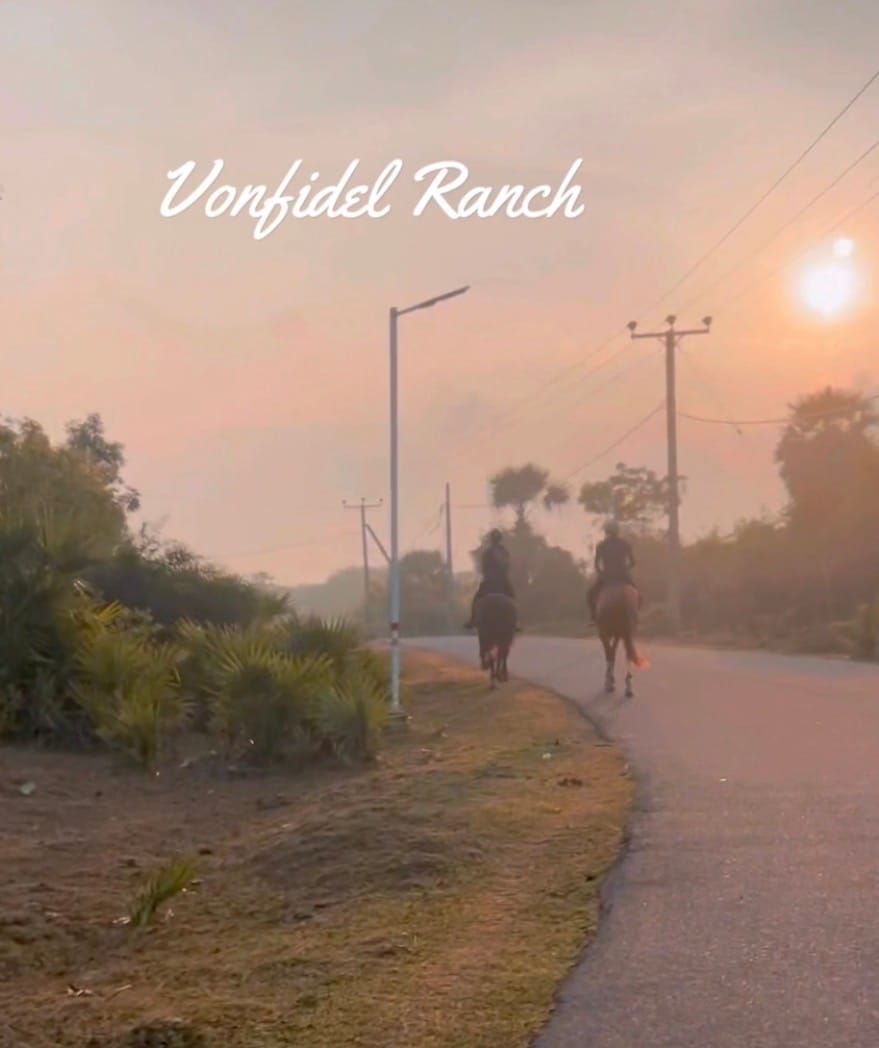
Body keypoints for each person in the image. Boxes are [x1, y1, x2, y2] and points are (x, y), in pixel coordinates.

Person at [465, 528, 514, 629]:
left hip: (488, 580)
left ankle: (473, 620)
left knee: (477, 598)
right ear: (500, 539)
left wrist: (487, 574)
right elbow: (507, 565)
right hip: (502, 580)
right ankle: (515, 621)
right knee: (512, 597)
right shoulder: (504, 551)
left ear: (491, 540)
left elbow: (483, 567)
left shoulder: (487, 552)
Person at [588, 519, 636, 621]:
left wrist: (601, 573)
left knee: (591, 594)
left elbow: (597, 564)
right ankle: (635, 616)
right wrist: (625, 569)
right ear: (618, 531)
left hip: (606, 578)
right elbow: (632, 562)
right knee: (638, 595)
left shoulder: (601, 545)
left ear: (606, 531)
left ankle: (593, 616)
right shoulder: (625, 544)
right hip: (623, 577)